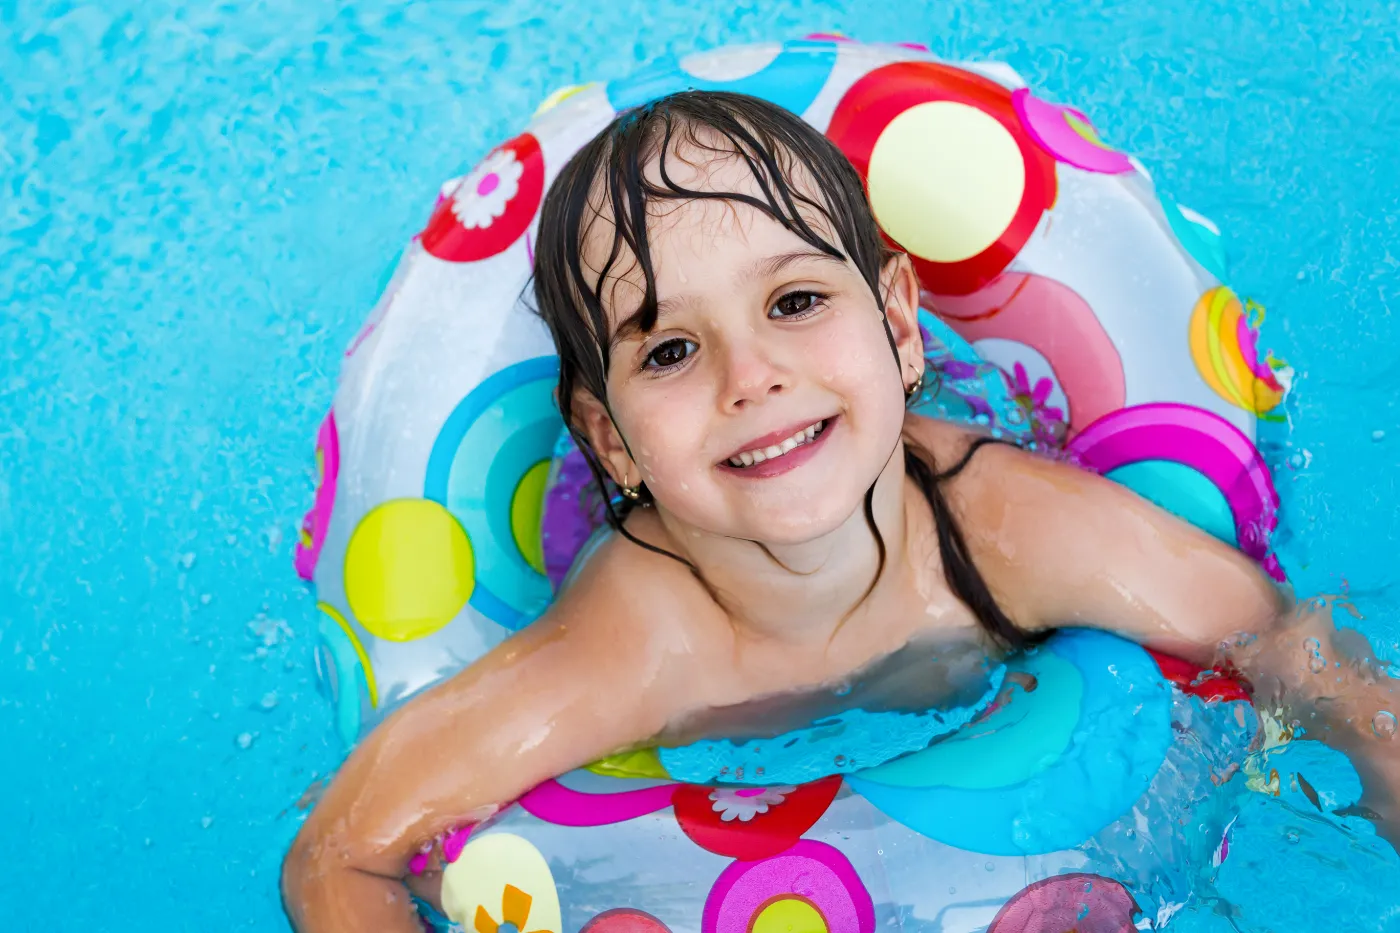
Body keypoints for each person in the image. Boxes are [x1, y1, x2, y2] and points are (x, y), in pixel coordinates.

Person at [281, 91, 1400, 932]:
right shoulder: (636, 645)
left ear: (901, 327)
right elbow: (340, 851)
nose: (750, 376)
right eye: (670, 348)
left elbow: (1294, 652)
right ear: (612, 441)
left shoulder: (998, 528)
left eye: (796, 301)